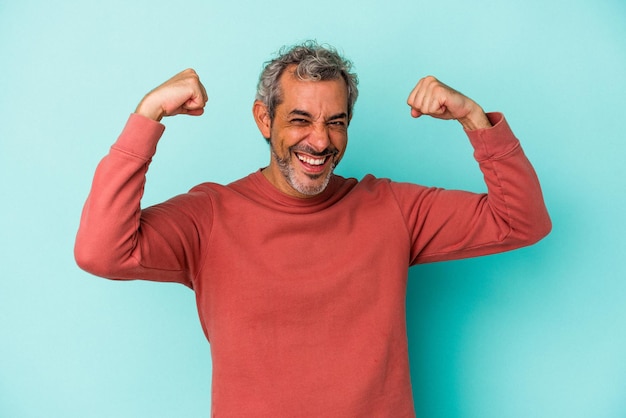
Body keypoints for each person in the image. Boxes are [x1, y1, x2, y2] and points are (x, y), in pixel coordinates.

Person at [75, 41, 551, 417]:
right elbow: (102, 251)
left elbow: (521, 220)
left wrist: (474, 119)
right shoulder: (211, 215)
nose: (320, 141)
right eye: (300, 120)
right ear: (265, 118)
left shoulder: (391, 208)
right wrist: (147, 116)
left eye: (336, 122)